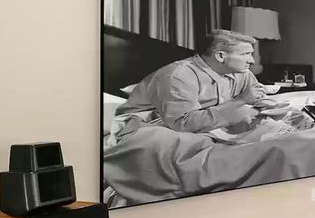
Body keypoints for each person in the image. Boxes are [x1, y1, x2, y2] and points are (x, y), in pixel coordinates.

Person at [112, 29, 266, 139]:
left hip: (198, 122)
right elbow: (181, 124)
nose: (251, 60)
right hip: (148, 122)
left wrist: (267, 105)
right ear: (220, 56)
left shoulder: (241, 71)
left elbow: (255, 98)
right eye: (245, 54)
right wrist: (240, 101)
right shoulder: (178, 76)